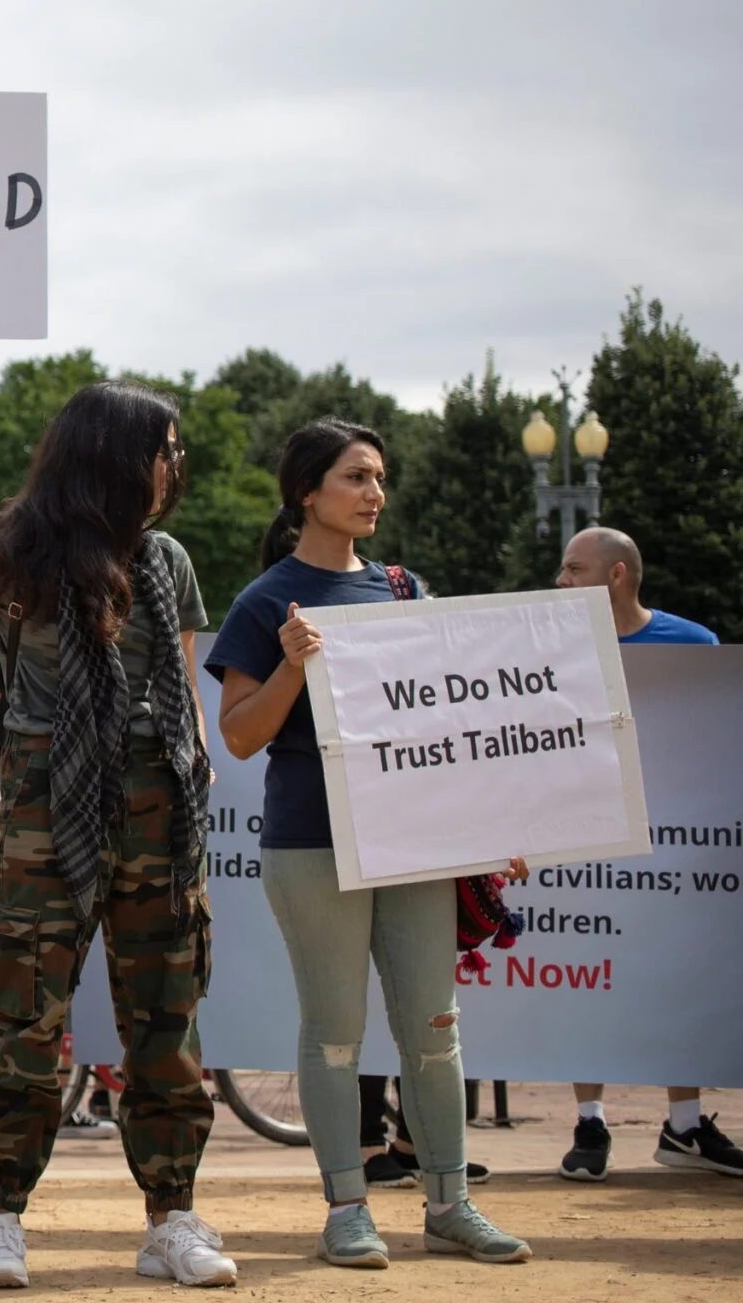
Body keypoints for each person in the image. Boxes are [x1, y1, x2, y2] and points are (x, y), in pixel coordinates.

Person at [0, 380, 235, 1289]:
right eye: (165, 449)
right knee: (26, 1023)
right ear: (114, 454)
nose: (175, 467)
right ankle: (3, 1218)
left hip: (159, 821)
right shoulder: (19, 549)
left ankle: (171, 1217)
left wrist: (195, 758)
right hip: (46, 814)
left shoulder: (166, 559)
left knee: (166, 1026)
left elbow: (184, 681)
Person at [209, 418, 531, 1268]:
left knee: (434, 1024)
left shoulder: (403, 589)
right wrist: (291, 667)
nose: (375, 494)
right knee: (335, 1032)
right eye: (357, 477)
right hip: (312, 842)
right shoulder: (263, 601)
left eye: (380, 478)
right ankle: (348, 1208)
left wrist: (492, 828)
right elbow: (239, 737)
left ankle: (449, 1203)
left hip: (414, 841)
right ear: (307, 492)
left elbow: (449, 727)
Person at [552, 526, 741, 1181]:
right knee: (584, 975)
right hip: (582, 835)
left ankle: (684, 1125)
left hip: (672, 838)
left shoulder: (694, 647)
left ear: (617, 576)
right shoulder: (551, 646)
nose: (560, 582)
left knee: (672, 972)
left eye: (573, 569)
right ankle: (590, 1122)